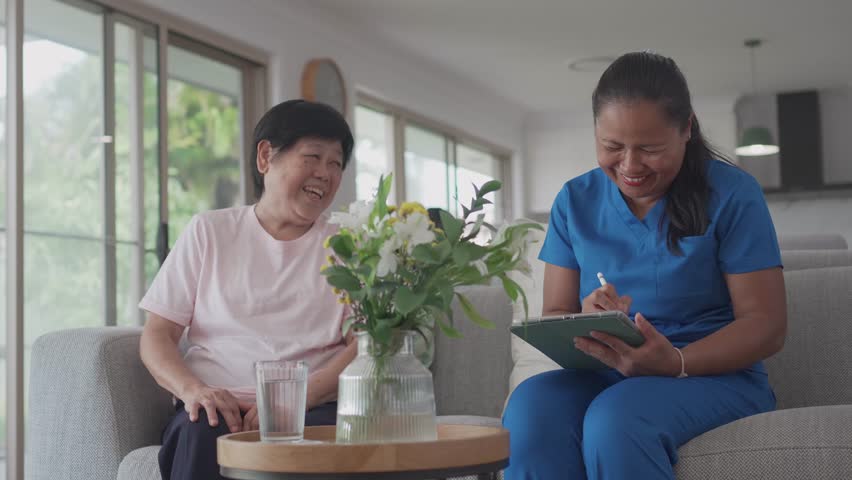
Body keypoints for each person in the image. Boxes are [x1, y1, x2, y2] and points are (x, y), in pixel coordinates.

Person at [502, 52, 787, 479]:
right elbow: (556, 315)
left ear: (686, 128)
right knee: (530, 408)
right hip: (611, 372)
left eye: (650, 149)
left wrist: (675, 361)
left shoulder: (733, 193)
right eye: (612, 147)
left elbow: (766, 323)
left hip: (710, 374)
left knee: (618, 419)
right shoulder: (574, 201)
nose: (630, 166)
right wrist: (587, 320)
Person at [139, 99, 356, 480]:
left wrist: (303, 396)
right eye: (313, 157)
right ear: (265, 156)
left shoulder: (347, 247)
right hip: (215, 407)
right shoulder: (210, 231)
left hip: (314, 408)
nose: (325, 173)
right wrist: (193, 389)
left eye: (336, 163)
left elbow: (366, 343)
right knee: (201, 433)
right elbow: (158, 333)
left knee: (326, 442)